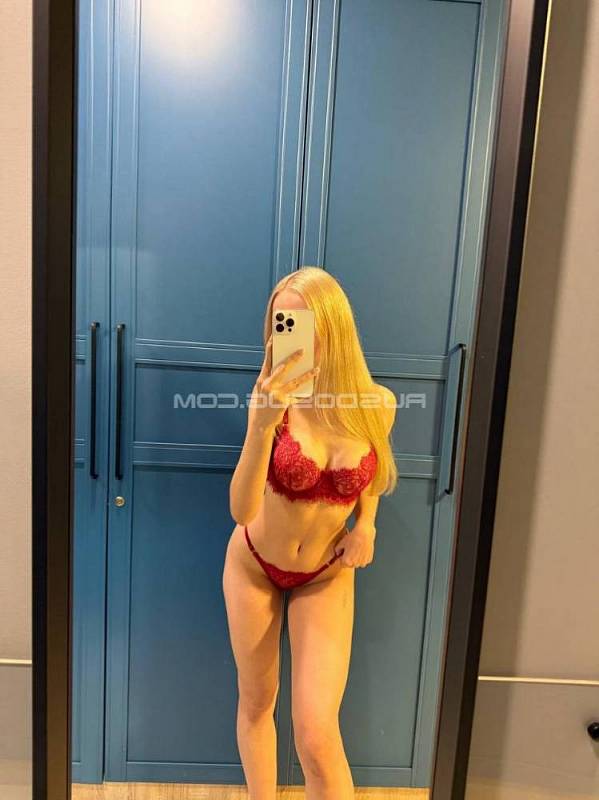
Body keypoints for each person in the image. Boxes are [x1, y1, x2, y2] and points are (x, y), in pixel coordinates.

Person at [222, 266, 398, 799]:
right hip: (254, 564)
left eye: (301, 322)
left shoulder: (378, 404)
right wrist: (260, 425)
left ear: (332, 326)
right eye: (282, 322)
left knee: (317, 733)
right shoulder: (271, 403)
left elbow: (374, 473)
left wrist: (367, 525)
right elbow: (241, 509)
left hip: (325, 572)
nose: (289, 335)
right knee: (258, 703)